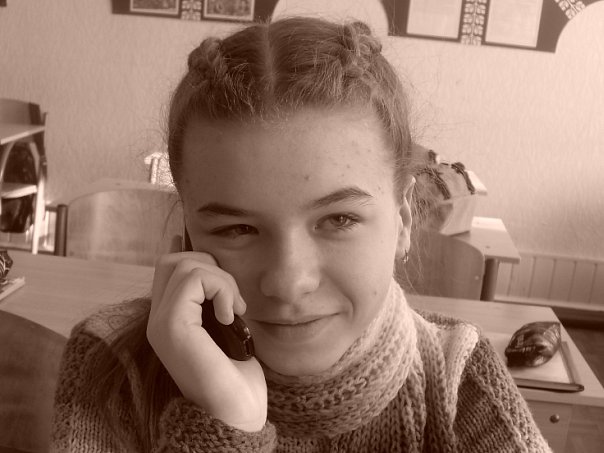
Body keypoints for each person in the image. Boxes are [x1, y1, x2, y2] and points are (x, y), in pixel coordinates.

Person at [50, 16, 551, 452]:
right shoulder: (112, 365)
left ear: (403, 220)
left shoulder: (459, 375)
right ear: (187, 235)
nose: (289, 283)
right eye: (238, 228)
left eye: (339, 220)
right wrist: (226, 425)